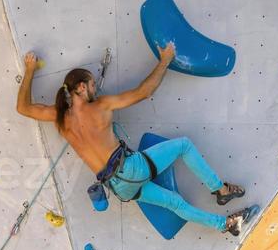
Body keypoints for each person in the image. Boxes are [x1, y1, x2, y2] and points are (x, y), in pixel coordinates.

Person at [16, 47, 258, 236]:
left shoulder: (60, 118)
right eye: (92, 84)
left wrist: (30, 69)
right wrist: (165, 60)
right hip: (132, 168)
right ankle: (221, 190)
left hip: (119, 188)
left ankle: (226, 224)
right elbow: (144, 92)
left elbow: (23, 108)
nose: (95, 89)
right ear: (81, 87)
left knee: (174, 203)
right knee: (183, 145)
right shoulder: (100, 106)